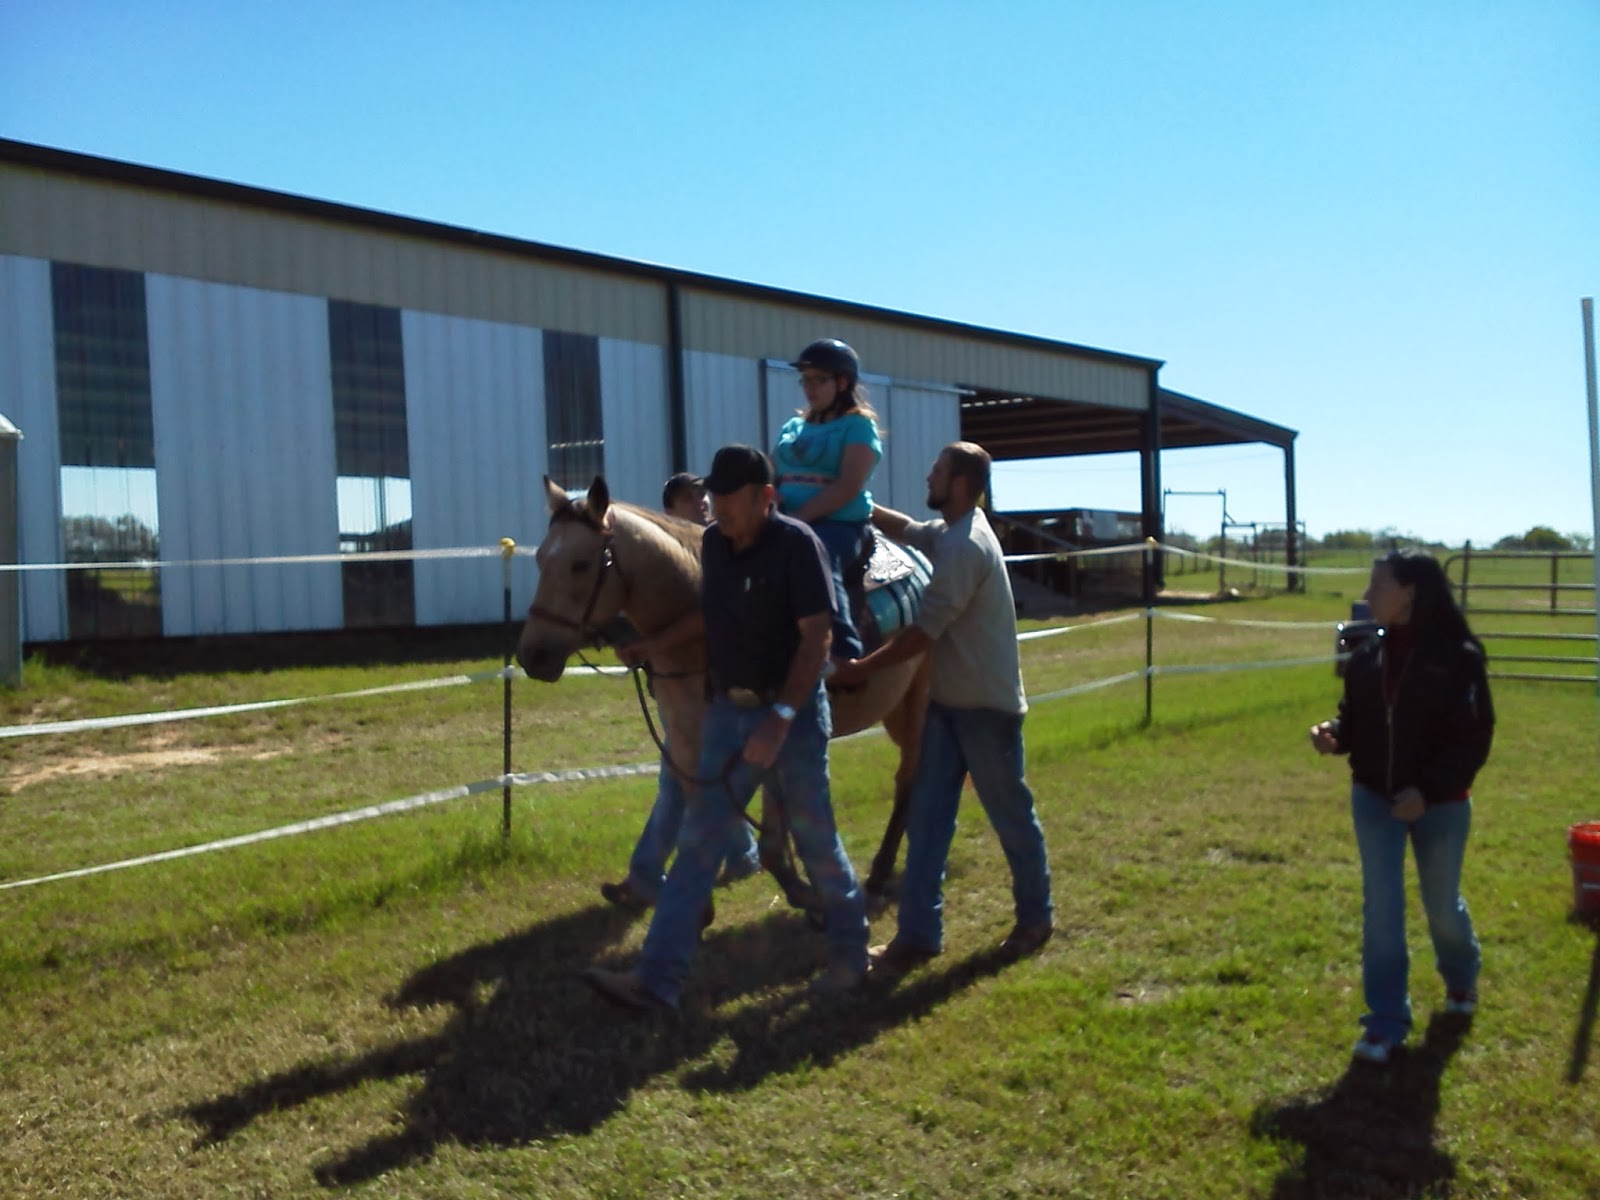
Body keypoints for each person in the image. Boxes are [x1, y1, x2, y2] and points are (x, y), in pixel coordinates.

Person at [582, 444, 870, 1012]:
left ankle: (851, 955)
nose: (716, 507)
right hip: (727, 714)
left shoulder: (798, 546)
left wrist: (780, 720)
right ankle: (656, 981)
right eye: (713, 495)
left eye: (728, 498)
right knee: (697, 846)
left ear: (766, 497)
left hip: (793, 716)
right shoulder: (715, 544)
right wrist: (650, 646)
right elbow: (707, 617)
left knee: (816, 841)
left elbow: (818, 639)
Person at [830, 441, 1054, 973]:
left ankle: (1035, 917)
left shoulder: (964, 547)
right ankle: (918, 936)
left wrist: (862, 670)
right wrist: (856, 501)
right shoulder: (953, 530)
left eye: (935, 471)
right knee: (928, 821)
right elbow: (908, 528)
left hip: (985, 711)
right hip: (949, 706)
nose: (927, 476)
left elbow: (920, 636)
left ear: (957, 484)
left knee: (1011, 817)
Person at [1310, 549, 1495, 1065]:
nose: (1368, 596)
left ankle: (1461, 977)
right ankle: (1386, 1020)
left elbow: (1474, 737)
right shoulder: (1368, 653)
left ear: (1409, 594)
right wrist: (1335, 734)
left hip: (1440, 804)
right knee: (1383, 910)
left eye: (1377, 586)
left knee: (1442, 906)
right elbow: (1359, 718)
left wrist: (1428, 792)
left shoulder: (1459, 657)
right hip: (1374, 798)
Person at [600, 472, 761, 913]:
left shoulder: (722, 549)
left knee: (679, 774)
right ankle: (742, 854)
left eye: (704, 496)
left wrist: (650, 647)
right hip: (686, 686)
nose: (704, 505)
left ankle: (647, 873)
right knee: (688, 770)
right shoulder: (674, 559)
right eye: (692, 499)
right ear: (670, 511)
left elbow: (711, 615)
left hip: (712, 684)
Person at [772, 338, 883, 662]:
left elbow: (849, 485)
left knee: (817, 554)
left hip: (838, 523)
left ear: (842, 382)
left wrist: (801, 518)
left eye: (818, 379)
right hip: (787, 519)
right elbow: (772, 471)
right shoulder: (792, 426)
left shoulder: (858, 426)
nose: (809, 388)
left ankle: (842, 650)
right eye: (805, 380)